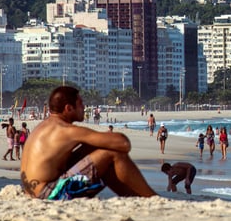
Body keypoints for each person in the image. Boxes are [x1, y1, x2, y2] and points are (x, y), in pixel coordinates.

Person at [20, 85, 156, 200]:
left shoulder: (44, 126)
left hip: (33, 192)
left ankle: (136, 197)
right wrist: (106, 140)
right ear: (68, 108)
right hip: (50, 195)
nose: (84, 108)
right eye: (80, 104)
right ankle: (152, 197)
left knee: (92, 149)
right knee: (112, 153)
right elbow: (124, 144)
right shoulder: (65, 130)